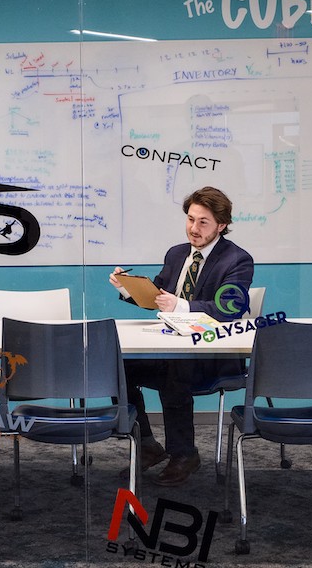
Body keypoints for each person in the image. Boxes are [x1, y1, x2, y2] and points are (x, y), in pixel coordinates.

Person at [109, 186, 254, 486]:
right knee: (115, 366)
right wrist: (127, 288)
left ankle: (184, 454)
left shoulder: (237, 260)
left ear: (222, 225)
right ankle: (147, 443)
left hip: (214, 354)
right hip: (173, 346)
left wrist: (183, 306)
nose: (194, 228)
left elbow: (230, 308)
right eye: (190, 219)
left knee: (174, 368)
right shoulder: (176, 254)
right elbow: (157, 296)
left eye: (203, 222)